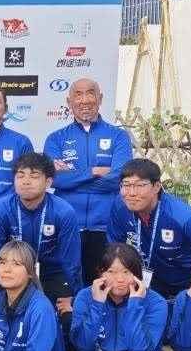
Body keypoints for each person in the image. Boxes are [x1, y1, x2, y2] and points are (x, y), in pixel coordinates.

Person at [0, 152, 82, 351]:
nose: (26, 181)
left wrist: (72, 295)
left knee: (67, 317)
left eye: (34, 175)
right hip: (14, 271)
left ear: (48, 182)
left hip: (51, 273)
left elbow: (71, 261)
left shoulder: (63, 211)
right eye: (20, 175)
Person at [44, 78, 133, 285]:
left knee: (106, 288)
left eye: (90, 93)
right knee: (68, 289)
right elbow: (54, 180)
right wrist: (94, 171)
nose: (84, 100)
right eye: (78, 94)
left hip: (106, 226)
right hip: (68, 225)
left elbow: (120, 179)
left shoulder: (119, 136)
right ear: (69, 101)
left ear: (100, 98)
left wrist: (73, 177)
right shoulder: (55, 138)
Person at [107, 158, 191, 300]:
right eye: (126, 185)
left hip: (189, 285)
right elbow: (115, 250)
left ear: (156, 187)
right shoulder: (120, 207)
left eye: (140, 185)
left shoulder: (184, 218)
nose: (131, 193)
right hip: (149, 282)